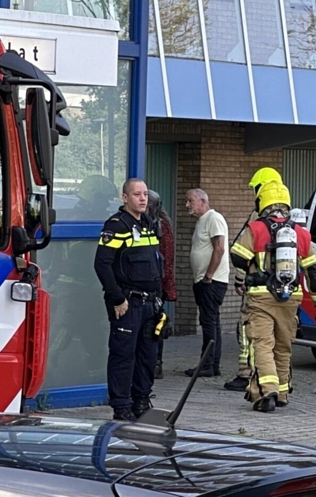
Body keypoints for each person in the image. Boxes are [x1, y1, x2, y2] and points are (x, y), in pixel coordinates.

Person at [230, 180, 316, 412]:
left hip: (261, 297)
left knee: (263, 344)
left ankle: (269, 391)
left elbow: (238, 257)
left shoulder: (256, 229)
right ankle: (283, 393)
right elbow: (314, 275)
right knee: (283, 346)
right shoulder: (301, 234)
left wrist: (244, 276)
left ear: (262, 202)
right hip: (291, 298)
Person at [94, 178, 165, 422]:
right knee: (123, 355)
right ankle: (121, 407)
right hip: (127, 303)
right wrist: (117, 299)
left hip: (149, 303)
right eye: (137, 194)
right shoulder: (116, 226)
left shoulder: (149, 224)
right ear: (125, 198)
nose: (143, 198)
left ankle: (141, 401)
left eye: (145, 194)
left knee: (147, 356)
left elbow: (156, 265)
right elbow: (102, 265)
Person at [224, 167, 283, 393]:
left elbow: (244, 255)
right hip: (281, 288)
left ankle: (246, 374)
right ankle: (276, 381)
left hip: (256, 286)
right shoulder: (286, 219)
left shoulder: (259, 217)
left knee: (249, 330)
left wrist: (240, 280)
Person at [184, 188, 230, 377]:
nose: (187, 205)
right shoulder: (202, 222)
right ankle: (213, 364)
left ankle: (207, 364)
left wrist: (208, 276)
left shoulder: (213, 218)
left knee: (208, 323)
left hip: (212, 281)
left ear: (203, 201)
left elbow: (219, 249)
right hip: (206, 280)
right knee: (212, 322)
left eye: (190, 201)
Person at [147, 190, 177, 380]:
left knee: (156, 323)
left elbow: (165, 259)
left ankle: (156, 363)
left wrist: (163, 284)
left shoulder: (161, 227)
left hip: (157, 282)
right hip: (152, 282)